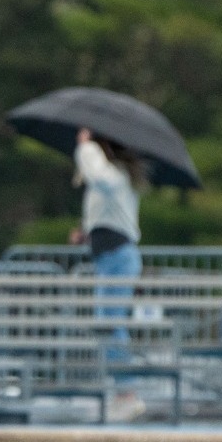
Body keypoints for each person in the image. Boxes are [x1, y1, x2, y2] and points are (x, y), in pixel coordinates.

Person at [68, 126, 147, 420]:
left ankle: (127, 393)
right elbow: (109, 219)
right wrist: (86, 235)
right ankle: (120, 391)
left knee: (112, 326)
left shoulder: (114, 175)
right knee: (106, 326)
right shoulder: (112, 178)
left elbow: (101, 180)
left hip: (119, 257)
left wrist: (86, 148)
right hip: (108, 256)